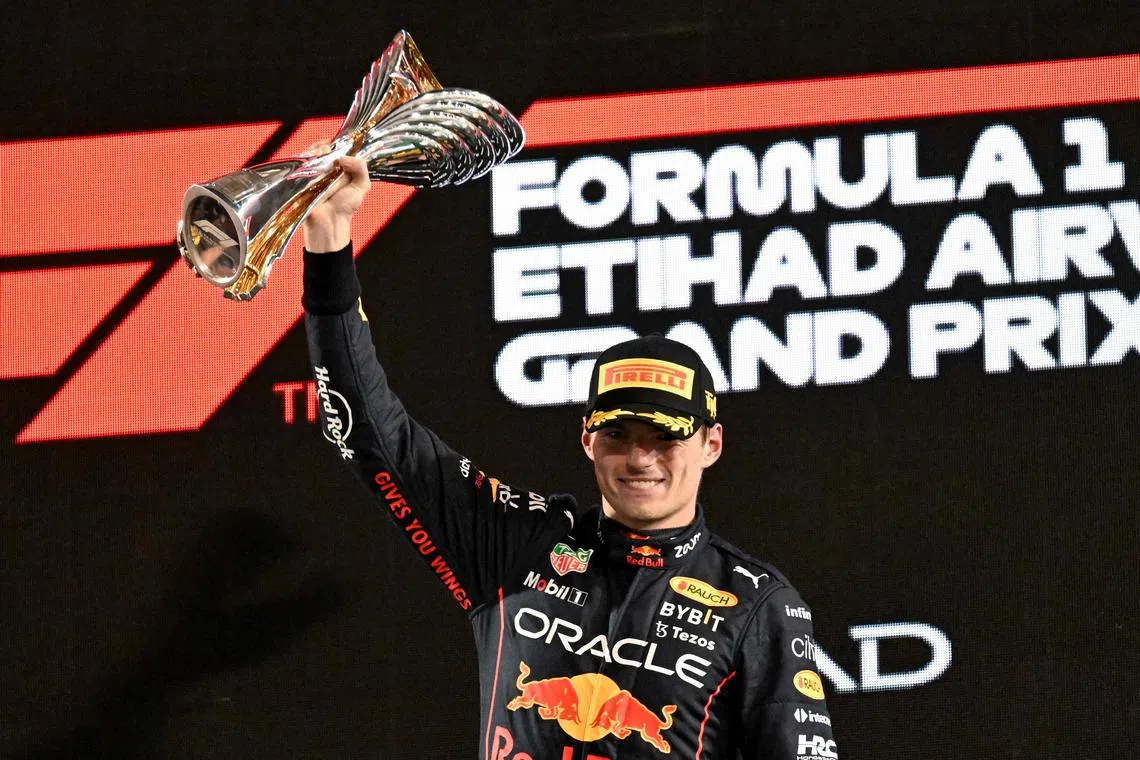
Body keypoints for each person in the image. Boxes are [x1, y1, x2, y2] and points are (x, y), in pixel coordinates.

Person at [301, 156, 837, 760]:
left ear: (710, 444)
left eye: (665, 437)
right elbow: (374, 437)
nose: (639, 457)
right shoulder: (518, 545)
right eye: (618, 434)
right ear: (587, 439)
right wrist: (329, 241)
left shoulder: (758, 604)